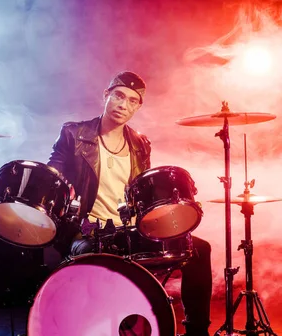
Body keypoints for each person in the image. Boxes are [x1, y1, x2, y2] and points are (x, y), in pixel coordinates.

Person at [47, 71, 212, 336]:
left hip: (131, 229)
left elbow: (142, 192)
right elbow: (52, 178)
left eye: (132, 101)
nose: (123, 105)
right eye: (119, 96)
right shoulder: (74, 134)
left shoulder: (139, 143)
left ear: (137, 107)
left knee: (199, 249)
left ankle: (196, 332)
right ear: (106, 95)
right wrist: (65, 194)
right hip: (89, 230)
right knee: (100, 255)